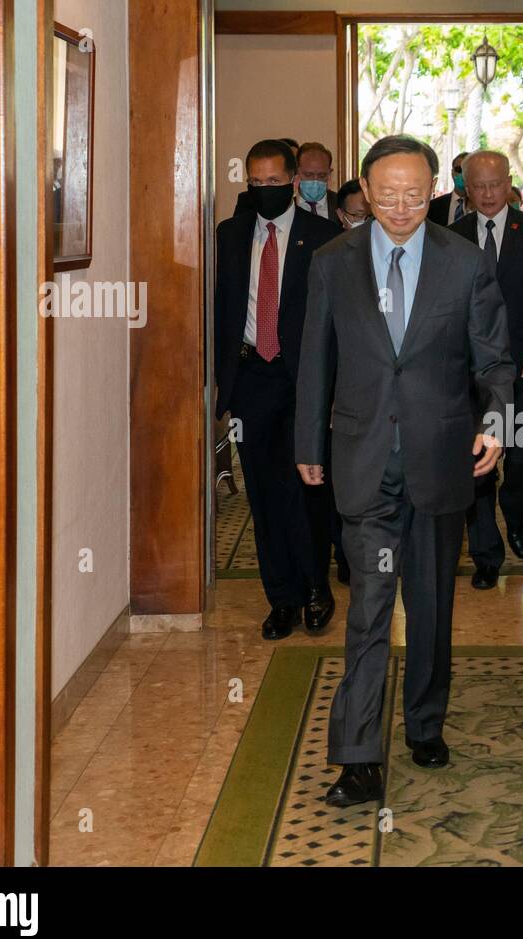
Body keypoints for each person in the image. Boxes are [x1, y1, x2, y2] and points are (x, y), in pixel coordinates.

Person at [295, 135, 514, 807]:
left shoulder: (465, 263)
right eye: (386, 193)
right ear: (363, 188)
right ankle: (358, 757)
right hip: (363, 462)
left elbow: (494, 361)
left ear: (433, 193)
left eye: (415, 195)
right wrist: (309, 442)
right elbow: (316, 360)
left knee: (429, 607)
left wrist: (498, 421)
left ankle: (425, 724)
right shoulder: (334, 264)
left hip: (441, 460)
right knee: (368, 613)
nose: (400, 206)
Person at [213, 139, 344, 639]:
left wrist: (335, 390)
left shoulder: (326, 236)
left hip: (304, 380)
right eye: (256, 183)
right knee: (263, 495)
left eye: (274, 182)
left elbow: (339, 321)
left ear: (293, 181)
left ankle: (316, 589)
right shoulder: (230, 234)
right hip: (250, 378)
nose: (265, 190)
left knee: (305, 488)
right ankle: (282, 598)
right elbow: (221, 309)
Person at [450, 151, 523, 590]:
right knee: (478, 466)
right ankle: (486, 554)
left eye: (495, 185)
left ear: (509, 182)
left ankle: (516, 513)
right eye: (477, 186)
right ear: (465, 186)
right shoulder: (452, 235)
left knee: (522, 458)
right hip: (470, 377)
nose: (488, 194)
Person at [427, 151, 470, 225]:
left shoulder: (482, 206)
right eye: (459, 170)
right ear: (452, 173)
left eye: (468, 170)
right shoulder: (432, 206)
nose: (463, 174)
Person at [295, 142, 335, 220]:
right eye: (308, 175)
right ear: (296, 172)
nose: (315, 181)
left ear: (329, 173)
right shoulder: (285, 205)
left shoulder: (341, 204)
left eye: (322, 175)